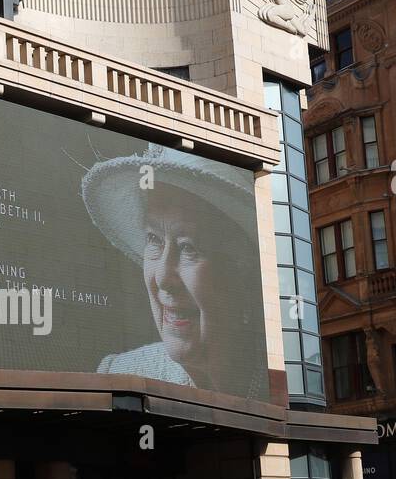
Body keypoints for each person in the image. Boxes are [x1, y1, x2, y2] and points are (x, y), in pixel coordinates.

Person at [81, 144, 263, 396]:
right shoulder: (119, 375)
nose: (163, 278)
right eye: (154, 240)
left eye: (188, 247)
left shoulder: (279, 382)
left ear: (243, 278)